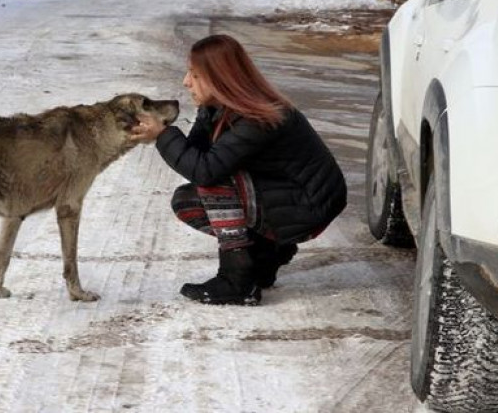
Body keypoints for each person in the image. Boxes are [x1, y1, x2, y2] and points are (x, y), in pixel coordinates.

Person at [130, 34, 347, 306]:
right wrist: (177, 127)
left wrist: (163, 135)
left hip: (310, 204)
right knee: (187, 201)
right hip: (286, 195)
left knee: (215, 183)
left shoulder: (257, 117)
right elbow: (195, 159)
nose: (186, 82)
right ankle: (264, 257)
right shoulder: (220, 109)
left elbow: (206, 171)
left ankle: (238, 280)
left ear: (220, 78)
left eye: (194, 75)